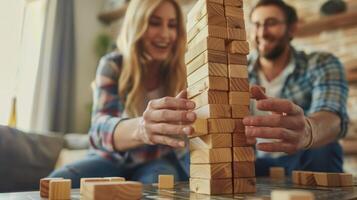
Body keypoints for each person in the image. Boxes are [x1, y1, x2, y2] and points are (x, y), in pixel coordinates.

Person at [49, 0, 196, 188]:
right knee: (57, 181)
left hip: (158, 159)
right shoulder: (113, 65)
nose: (165, 34)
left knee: (158, 184)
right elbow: (99, 129)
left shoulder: (182, 70)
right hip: (112, 158)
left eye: (172, 25)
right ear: (137, 24)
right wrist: (142, 128)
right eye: (154, 22)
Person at [244, 0, 349, 176]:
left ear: (291, 28)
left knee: (325, 148)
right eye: (256, 25)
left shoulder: (321, 63)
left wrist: (308, 130)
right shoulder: (237, 71)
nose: (262, 32)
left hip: (304, 159)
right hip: (254, 161)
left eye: (272, 23)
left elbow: (333, 117)